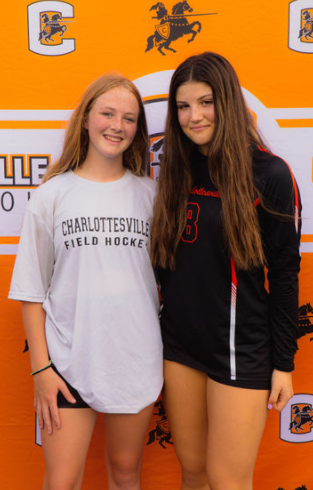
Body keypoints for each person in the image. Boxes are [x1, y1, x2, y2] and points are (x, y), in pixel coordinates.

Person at [151, 52, 301, 490]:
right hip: (180, 346)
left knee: (227, 481)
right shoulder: (177, 167)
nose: (193, 116)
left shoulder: (269, 174)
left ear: (229, 102)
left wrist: (283, 364)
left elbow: (285, 275)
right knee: (193, 472)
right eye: (182, 106)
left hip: (240, 350)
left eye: (206, 102)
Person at [9, 73, 163, 490]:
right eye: (107, 113)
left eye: (129, 118)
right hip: (66, 363)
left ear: (138, 131)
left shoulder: (151, 196)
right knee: (61, 481)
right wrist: (41, 368)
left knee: (126, 473)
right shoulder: (53, 195)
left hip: (136, 359)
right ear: (86, 119)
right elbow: (30, 291)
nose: (117, 125)